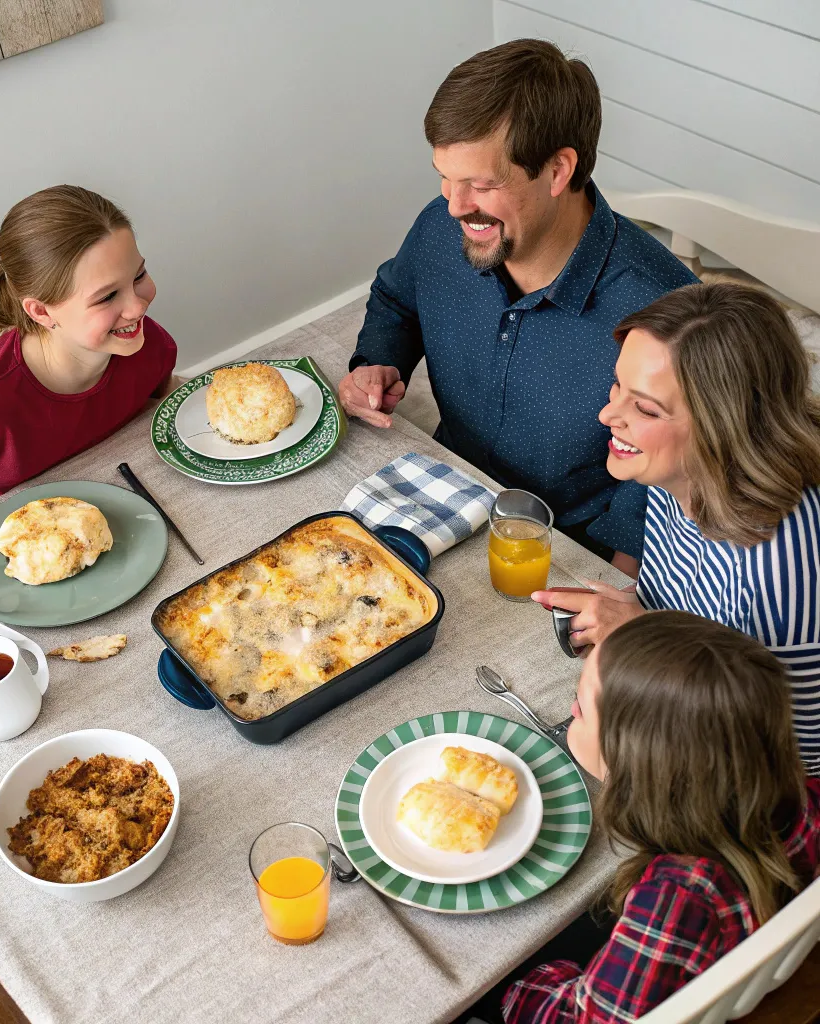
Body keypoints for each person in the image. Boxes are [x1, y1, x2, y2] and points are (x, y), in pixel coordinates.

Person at [339, 39, 697, 572]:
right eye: (445, 176)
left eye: (481, 184)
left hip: (571, 546)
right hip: (444, 486)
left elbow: (676, 466)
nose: (454, 205)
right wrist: (376, 361)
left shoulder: (665, 311)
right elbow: (397, 297)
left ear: (558, 171)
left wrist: (620, 587)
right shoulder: (443, 228)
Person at [468, 612, 820, 1024]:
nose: (569, 709)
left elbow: (587, 1020)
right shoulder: (801, 794)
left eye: (580, 707)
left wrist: (519, 988)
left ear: (631, 766)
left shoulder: (674, 902)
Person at [533, 283, 820, 775]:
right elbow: (686, 602)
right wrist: (644, 614)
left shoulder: (778, 577)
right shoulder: (676, 468)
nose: (608, 415)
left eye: (646, 409)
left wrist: (643, 641)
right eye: (618, 385)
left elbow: (774, 758)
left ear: (721, 427)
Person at [0, 185, 177, 520]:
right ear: (41, 312)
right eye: (107, 296)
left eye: (138, 275)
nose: (137, 306)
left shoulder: (148, 344)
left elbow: (159, 408)